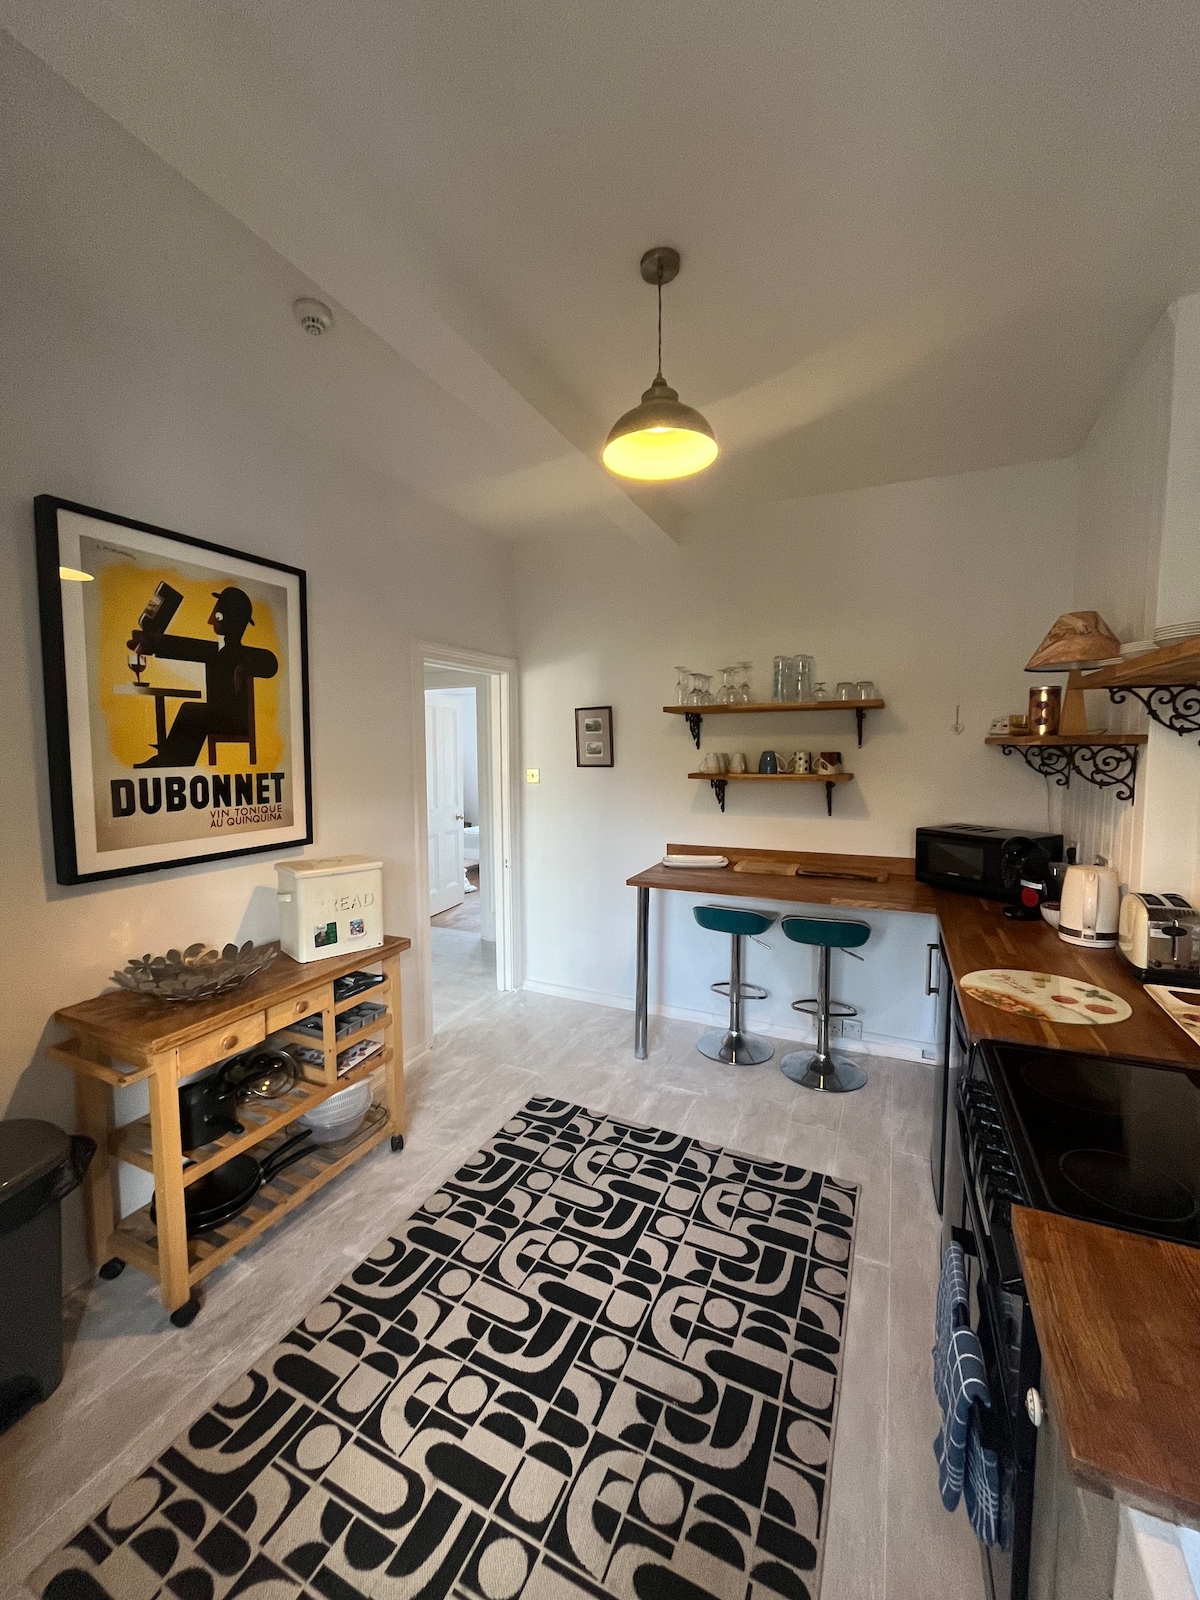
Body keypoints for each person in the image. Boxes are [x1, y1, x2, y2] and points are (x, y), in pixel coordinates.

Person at [128, 587, 278, 767]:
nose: (210, 620)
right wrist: (152, 643)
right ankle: (169, 758)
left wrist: (243, 666)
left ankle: (171, 760)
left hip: (234, 721)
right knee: (193, 711)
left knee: (193, 712)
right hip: (217, 715)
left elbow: (270, 662)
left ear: (234, 621)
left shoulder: (242, 654)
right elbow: (187, 648)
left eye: (218, 616)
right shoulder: (216, 651)